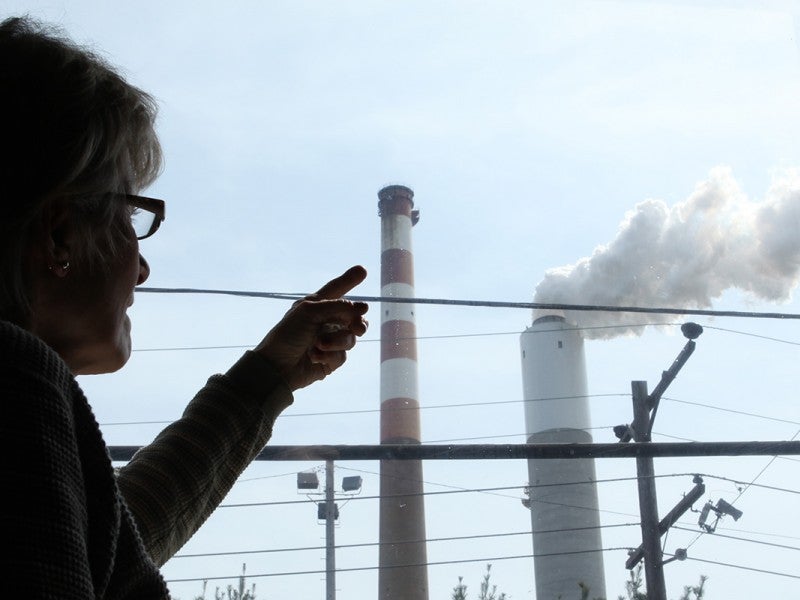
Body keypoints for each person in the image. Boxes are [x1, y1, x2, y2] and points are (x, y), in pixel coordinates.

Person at [0, 16, 369, 599]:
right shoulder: (13, 384)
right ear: (60, 234)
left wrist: (266, 377)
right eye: (129, 218)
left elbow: (110, 547)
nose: (141, 268)